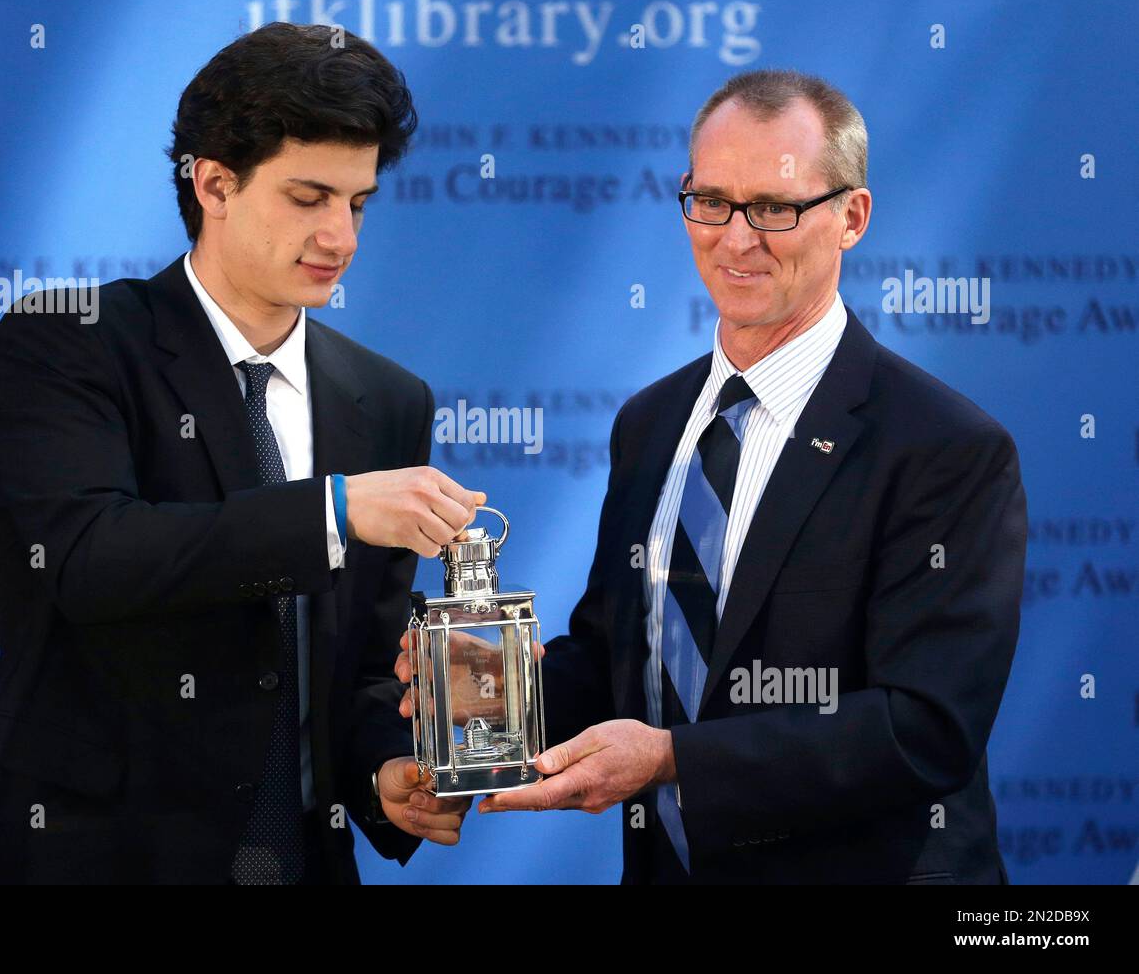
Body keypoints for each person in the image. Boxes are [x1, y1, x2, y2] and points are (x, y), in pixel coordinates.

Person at [400, 69, 1026, 884]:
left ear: (852, 217)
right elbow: (615, 659)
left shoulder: (946, 447)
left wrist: (672, 759)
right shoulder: (651, 422)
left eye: (774, 208)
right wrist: (478, 694)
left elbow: (924, 726)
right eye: (711, 201)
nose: (736, 238)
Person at [0, 22, 474, 885]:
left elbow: (361, 668)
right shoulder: (71, 339)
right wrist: (331, 512)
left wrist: (384, 773)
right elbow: (87, 560)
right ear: (214, 182)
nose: (341, 236)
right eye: (309, 197)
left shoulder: (389, 402)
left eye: (358, 201)